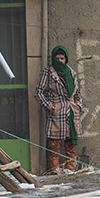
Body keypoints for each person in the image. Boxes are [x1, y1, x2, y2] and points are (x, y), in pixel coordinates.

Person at [36, 45, 82, 174]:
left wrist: (78, 105)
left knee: (71, 146)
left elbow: (77, 93)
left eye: (62, 58)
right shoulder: (48, 73)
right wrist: (50, 107)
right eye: (57, 58)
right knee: (54, 146)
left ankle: (71, 171)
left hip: (71, 113)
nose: (60, 61)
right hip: (56, 114)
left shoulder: (71, 73)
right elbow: (39, 92)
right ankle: (54, 172)